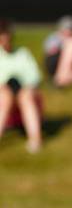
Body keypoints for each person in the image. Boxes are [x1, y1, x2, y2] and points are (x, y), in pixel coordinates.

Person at [0, 19, 43, 153]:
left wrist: (25, 85)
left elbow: (35, 76)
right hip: (4, 92)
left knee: (26, 98)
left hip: (23, 90)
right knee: (5, 97)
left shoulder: (22, 53)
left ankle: (35, 139)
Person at [43, 16, 72, 88]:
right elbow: (51, 52)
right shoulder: (55, 38)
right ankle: (61, 79)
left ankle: (64, 78)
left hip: (68, 65)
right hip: (55, 63)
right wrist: (66, 44)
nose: (69, 32)